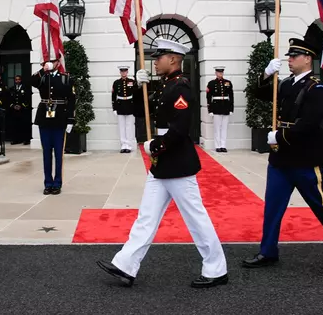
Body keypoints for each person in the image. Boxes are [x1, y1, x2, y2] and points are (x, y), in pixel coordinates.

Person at [97, 39, 228, 289]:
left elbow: (180, 129)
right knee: (146, 217)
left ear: (174, 59)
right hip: (163, 164)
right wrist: (139, 86)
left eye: (159, 57)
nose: (155, 61)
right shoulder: (165, 86)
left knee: (196, 219)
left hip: (177, 163)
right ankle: (126, 264)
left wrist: (155, 146)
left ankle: (216, 269)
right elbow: (139, 110)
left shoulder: (180, 87)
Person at [241, 31, 323, 268]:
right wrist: (266, 74)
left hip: (306, 157)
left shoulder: (316, 88)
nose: (290, 59)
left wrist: (279, 134)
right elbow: (258, 93)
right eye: (289, 56)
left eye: (294, 56)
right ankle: (268, 252)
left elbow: (310, 123)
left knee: (320, 204)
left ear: (307, 59)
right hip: (281, 158)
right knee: (273, 207)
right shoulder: (287, 84)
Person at [31, 57, 75, 195]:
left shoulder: (65, 78)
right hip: (44, 117)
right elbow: (31, 82)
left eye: (53, 61)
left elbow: (72, 100)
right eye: (47, 61)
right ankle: (48, 183)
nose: (50, 63)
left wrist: (70, 120)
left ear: (58, 63)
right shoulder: (42, 77)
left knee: (58, 153)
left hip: (60, 117)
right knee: (46, 152)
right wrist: (42, 71)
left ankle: (57, 183)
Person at [207, 66, 233, 153]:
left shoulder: (228, 83)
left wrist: (231, 108)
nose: (220, 74)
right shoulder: (211, 83)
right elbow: (208, 97)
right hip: (216, 107)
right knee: (217, 128)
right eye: (218, 72)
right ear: (215, 73)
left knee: (224, 128)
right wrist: (210, 110)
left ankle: (223, 145)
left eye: (221, 72)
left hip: (225, 106)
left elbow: (231, 96)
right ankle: (217, 146)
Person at [112, 66, 137, 153]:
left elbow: (136, 94)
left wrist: (135, 107)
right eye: (122, 71)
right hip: (120, 105)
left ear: (127, 72)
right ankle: (123, 145)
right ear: (120, 72)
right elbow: (113, 96)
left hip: (130, 105)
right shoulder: (116, 82)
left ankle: (129, 145)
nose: (123, 73)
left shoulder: (132, 82)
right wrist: (114, 108)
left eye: (125, 71)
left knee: (129, 126)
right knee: (121, 127)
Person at [7, 75, 31, 145]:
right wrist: (13, 106)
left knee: (24, 125)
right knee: (15, 125)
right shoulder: (11, 89)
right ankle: (16, 139)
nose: (17, 81)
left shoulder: (25, 88)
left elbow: (28, 99)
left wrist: (22, 106)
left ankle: (26, 139)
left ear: (21, 80)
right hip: (14, 110)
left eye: (19, 79)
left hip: (23, 110)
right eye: (16, 80)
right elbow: (8, 99)